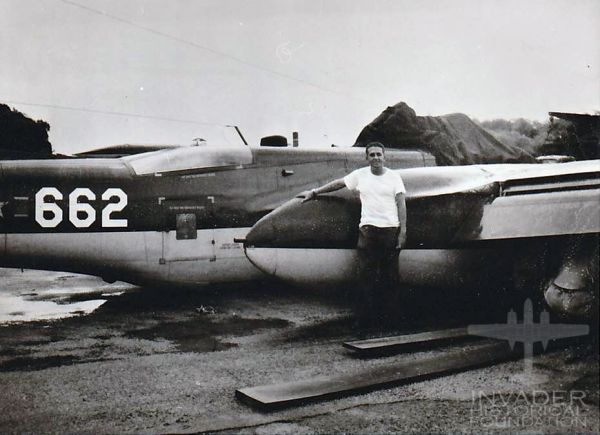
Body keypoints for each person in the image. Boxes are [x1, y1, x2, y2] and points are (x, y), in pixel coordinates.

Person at [301, 142, 407, 323]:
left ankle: (391, 317)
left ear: (384, 156)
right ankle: (368, 317)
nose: (376, 158)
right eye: (372, 155)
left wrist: (403, 231)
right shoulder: (360, 175)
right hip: (368, 230)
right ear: (367, 158)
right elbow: (339, 183)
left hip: (390, 229)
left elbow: (401, 203)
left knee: (390, 275)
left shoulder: (394, 177)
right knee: (366, 274)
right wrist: (315, 192)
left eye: (378, 154)